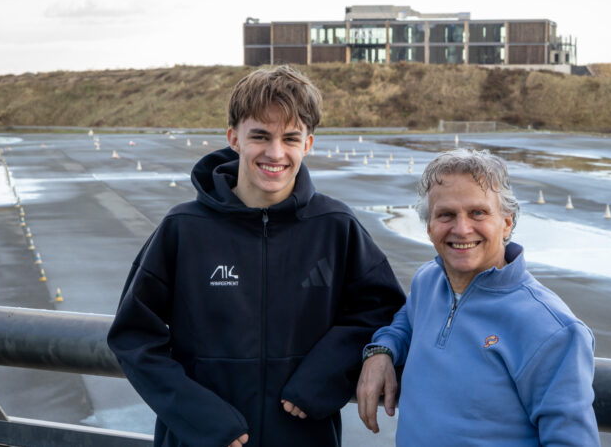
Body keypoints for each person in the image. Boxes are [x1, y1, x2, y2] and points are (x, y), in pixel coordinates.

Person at [108, 66, 405, 447]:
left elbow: (382, 311)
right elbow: (133, 336)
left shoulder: (335, 226)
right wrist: (200, 417)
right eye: (260, 136)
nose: (275, 153)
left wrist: (322, 378)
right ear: (234, 137)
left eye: (291, 138)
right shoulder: (183, 228)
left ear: (308, 144)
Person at [356, 149, 599, 446]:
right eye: (446, 214)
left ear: (507, 223)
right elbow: (403, 325)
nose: (462, 229)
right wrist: (381, 352)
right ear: (430, 227)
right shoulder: (427, 282)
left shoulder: (554, 329)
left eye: (478, 213)